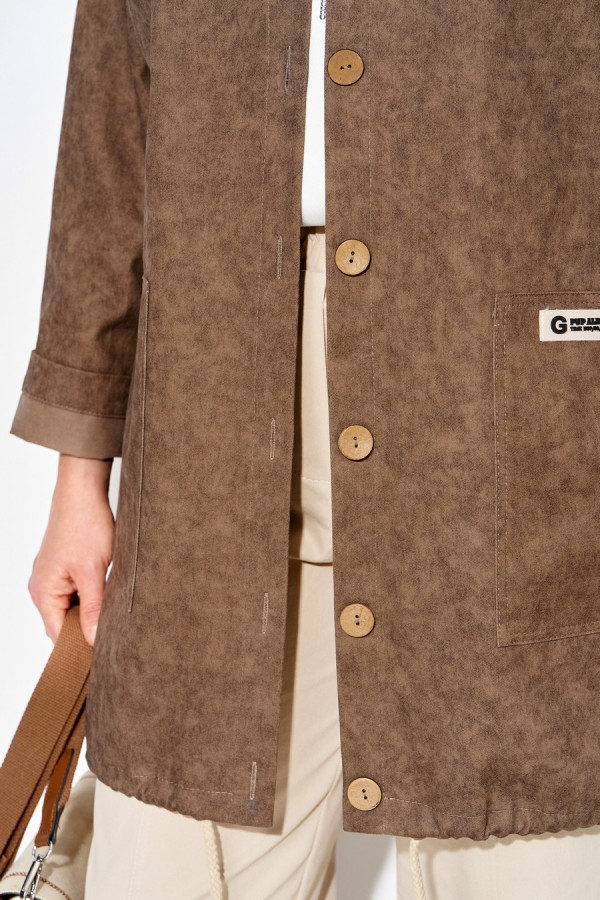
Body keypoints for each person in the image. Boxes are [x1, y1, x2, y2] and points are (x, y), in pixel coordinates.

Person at [9, 0, 600, 897]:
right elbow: (109, 145)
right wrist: (78, 481)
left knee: (530, 832)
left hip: (515, 420)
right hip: (207, 425)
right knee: (176, 850)